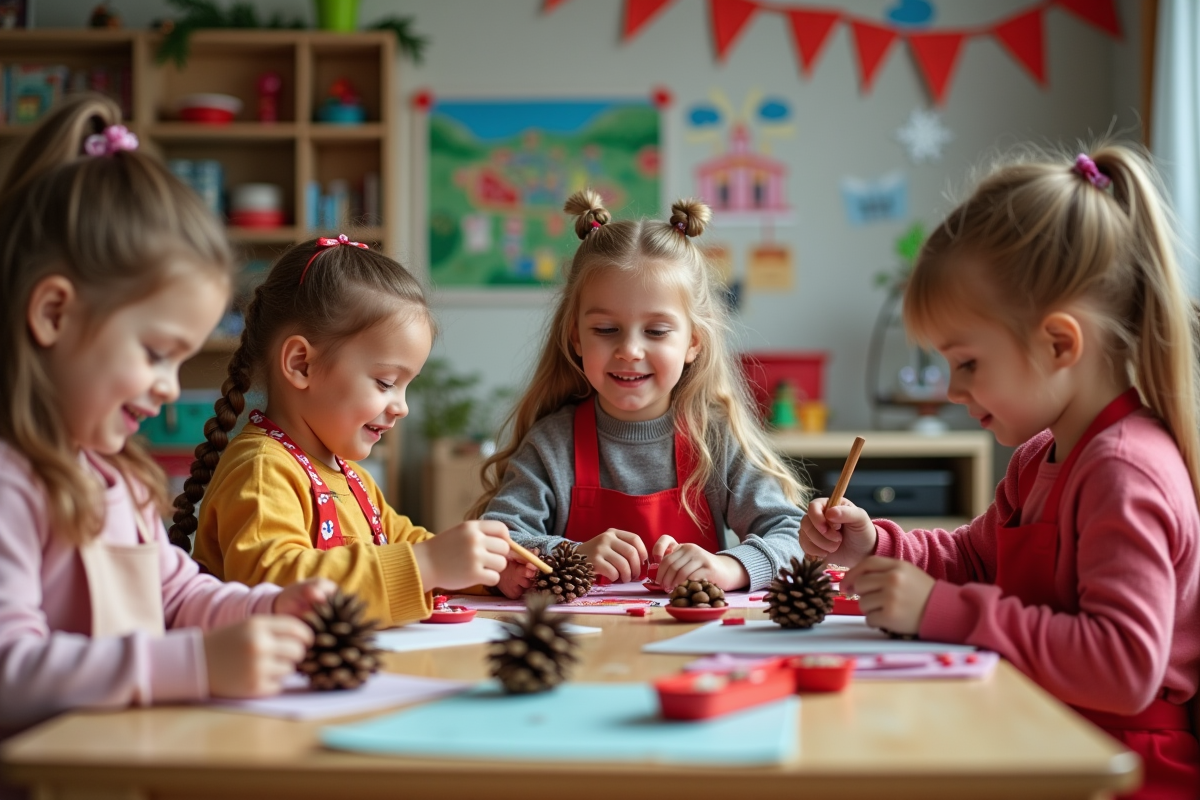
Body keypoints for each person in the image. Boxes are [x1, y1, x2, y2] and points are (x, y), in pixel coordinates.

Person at [802, 145, 1200, 799]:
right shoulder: (1039, 459)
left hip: (1123, 767)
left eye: (967, 364)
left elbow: (1124, 667)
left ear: (1059, 343)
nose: (954, 392)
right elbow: (973, 559)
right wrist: (874, 544)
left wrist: (942, 612)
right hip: (1043, 730)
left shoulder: (1126, 472)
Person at [0, 95, 331, 737]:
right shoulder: (13, 484)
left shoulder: (113, 477)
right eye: (155, 353)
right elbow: (10, 672)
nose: (166, 388)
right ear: (52, 314)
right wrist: (193, 665)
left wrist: (271, 606)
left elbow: (179, 596)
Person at [471, 189, 808, 598]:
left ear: (693, 342)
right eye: (606, 330)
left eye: (656, 331)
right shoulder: (552, 444)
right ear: (576, 337)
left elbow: (794, 536)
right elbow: (497, 540)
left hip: (690, 647)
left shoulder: (715, 440)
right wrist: (571, 555)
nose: (630, 350)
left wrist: (729, 566)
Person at [176, 234, 514, 626]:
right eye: (386, 383)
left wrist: (483, 572)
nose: (402, 407)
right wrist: (428, 564)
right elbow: (276, 586)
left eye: (407, 386)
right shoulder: (262, 469)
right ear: (302, 364)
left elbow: (404, 544)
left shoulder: (353, 479)